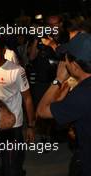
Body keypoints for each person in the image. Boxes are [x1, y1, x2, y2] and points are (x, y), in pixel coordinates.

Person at [37, 32, 91, 176]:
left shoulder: (82, 94)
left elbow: (42, 111)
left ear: (74, 65)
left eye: (66, 58)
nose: (64, 62)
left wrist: (58, 79)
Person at [0, 37, 35, 176]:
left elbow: (27, 99)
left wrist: (31, 126)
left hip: (13, 124)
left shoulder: (17, 71)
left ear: (4, 51)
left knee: (9, 164)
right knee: (5, 158)